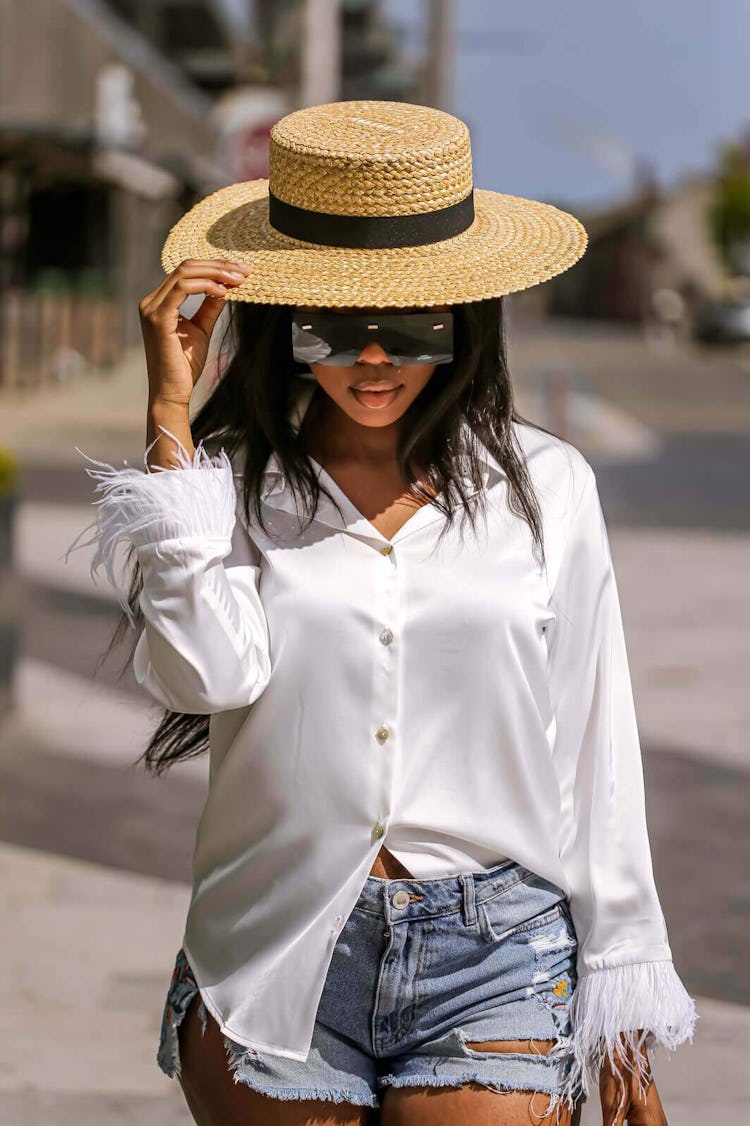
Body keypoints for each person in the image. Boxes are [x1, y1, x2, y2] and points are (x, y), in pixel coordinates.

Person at [65, 100, 696, 1126]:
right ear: (278, 319)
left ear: (464, 316)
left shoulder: (548, 486)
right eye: (333, 323)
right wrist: (171, 423)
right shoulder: (222, 490)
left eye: (410, 321)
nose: (372, 358)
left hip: (495, 950)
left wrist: (623, 998)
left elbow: (595, 745)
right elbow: (202, 679)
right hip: (271, 946)